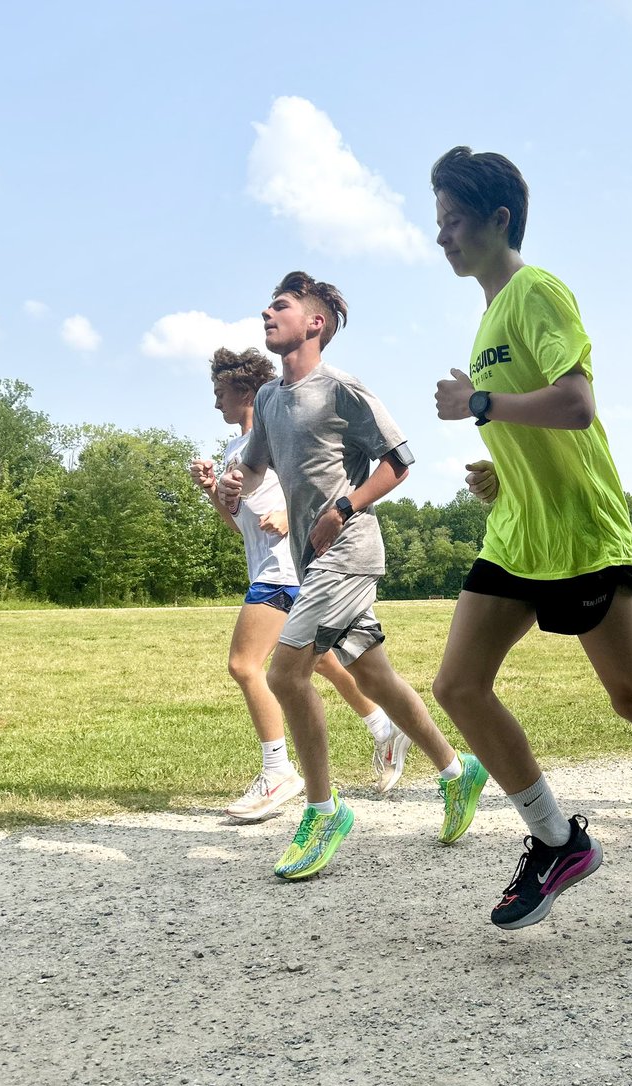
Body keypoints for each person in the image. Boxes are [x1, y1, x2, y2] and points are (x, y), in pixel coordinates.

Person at [430, 145, 632, 933]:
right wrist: (499, 472)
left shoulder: (538, 291)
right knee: (457, 687)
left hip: (581, 531)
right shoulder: (487, 319)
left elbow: (575, 404)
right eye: (437, 222)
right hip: (517, 534)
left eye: (455, 220)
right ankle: (555, 840)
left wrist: (480, 406)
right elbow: (529, 422)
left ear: (499, 218)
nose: (441, 237)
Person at [218, 273, 488, 880]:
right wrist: (236, 483)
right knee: (377, 677)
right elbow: (257, 468)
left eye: (280, 306)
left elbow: (400, 461)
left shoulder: (342, 390)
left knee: (287, 672)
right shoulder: (267, 399)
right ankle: (456, 769)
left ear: (314, 323)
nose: (266, 311)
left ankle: (323, 808)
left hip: (350, 551)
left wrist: (344, 507)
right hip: (313, 559)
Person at [191, 346, 412, 822]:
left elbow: (308, 487)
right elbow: (240, 527)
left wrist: (290, 518)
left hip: (285, 571)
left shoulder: (282, 432)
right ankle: (383, 727)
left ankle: (279, 771)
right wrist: (215, 491)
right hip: (273, 568)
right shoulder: (239, 453)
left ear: (247, 391)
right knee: (325, 664)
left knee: (245, 665)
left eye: (220, 393)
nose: (216, 404)